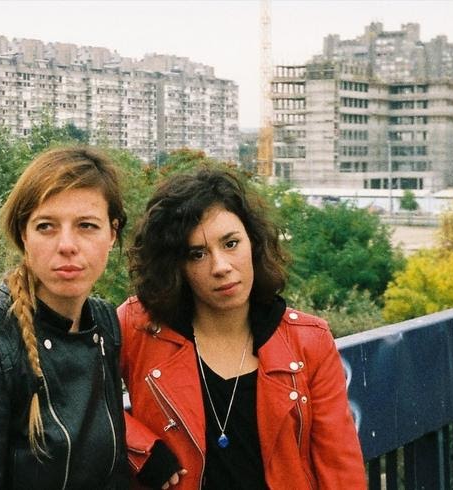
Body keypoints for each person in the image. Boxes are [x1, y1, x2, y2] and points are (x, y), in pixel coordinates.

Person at [120, 166, 366, 489]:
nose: (221, 267)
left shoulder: (309, 342)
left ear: (253, 242)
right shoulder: (140, 327)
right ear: (176, 266)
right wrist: (140, 449)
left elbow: (340, 469)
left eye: (231, 243)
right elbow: (73, 393)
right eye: (197, 254)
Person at [0, 147, 131, 490]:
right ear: (24, 235)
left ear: (112, 233)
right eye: (46, 226)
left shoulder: (103, 321)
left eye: (87, 226)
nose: (67, 245)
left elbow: (114, 469)